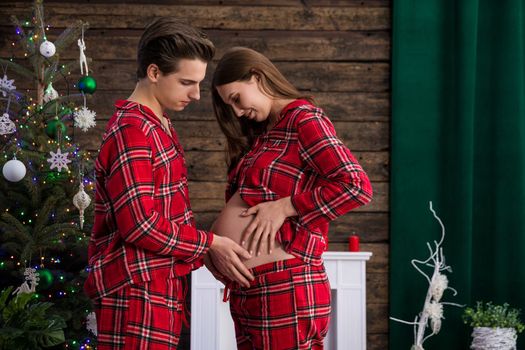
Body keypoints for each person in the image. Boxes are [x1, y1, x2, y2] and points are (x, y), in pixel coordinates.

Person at [84, 19, 253, 350]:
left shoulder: (161, 125)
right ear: (154, 73)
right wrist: (210, 243)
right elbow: (139, 225)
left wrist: (202, 254)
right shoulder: (133, 131)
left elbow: (168, 215)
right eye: (186, 82)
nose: (196, 94)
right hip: (135, 290)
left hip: (160, 285)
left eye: (199, 83)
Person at [206, 47, 373, 349]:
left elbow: (356, 186)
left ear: (256, 77)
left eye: (236, 99)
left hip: (285, 286)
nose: (237, 112)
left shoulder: (303, 120)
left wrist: (286, 207)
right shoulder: (266, 134)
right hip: (252, 291)